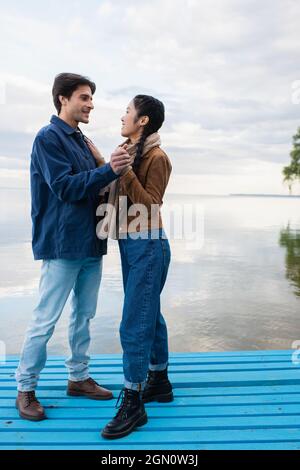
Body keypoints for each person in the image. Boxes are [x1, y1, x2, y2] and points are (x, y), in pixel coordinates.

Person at [15, 73, 131, 421]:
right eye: (84, 97)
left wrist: (108, 171)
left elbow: (92, 187)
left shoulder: (82, 140)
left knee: (85, 315)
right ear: (63, 99)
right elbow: (65, 188)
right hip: (63, 245)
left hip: (91, 242)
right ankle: (25, 388)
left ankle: (78, 378)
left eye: (91, 98)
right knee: (45, 320)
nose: (91, 104)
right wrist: (109, 169)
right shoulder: (48, 138)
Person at [88, 95, 173, 439]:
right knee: (148, 313)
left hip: (149, 242)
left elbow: (150, 205)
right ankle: (160, 380)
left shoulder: (157, 157)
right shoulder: (129, 150)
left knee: (134, 320)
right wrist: (104, 163)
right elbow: (116, 184)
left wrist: (122, 170)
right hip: (131, 243)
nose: (123, 115)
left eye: (128, 111)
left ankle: (134, 400)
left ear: (143, 121)